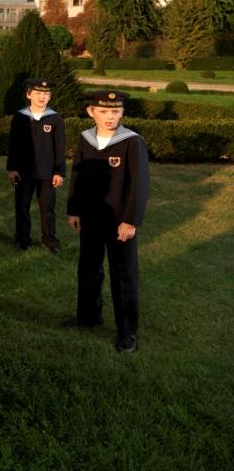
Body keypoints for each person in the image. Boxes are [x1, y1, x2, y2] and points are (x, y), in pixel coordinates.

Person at [65, 91, 150, 353]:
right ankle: (88, 316)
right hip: (90, 217)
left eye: (116, 111)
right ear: (91, 112)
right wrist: (74, 210)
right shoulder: (86, 139)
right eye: (104, 111)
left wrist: (130, 221)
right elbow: (77, 177)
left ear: (122, 112)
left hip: (118, 221)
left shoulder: (132, 142)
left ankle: (127, 333)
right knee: (88, 269)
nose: (110, 116)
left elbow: (139, 185)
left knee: (123, 276)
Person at [6, 78, 66, 253]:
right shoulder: (20, 117)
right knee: (22, 206)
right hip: (23, 171)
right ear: (29, 94)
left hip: (47, 173)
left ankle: (50, 241)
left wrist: (59, 172)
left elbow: (60, 147)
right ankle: (22, 239)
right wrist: (12, 168)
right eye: (38, 93)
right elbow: (14, 144)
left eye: (46, 94)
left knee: (47, 208)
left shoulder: (55, 118)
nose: (42, 97)